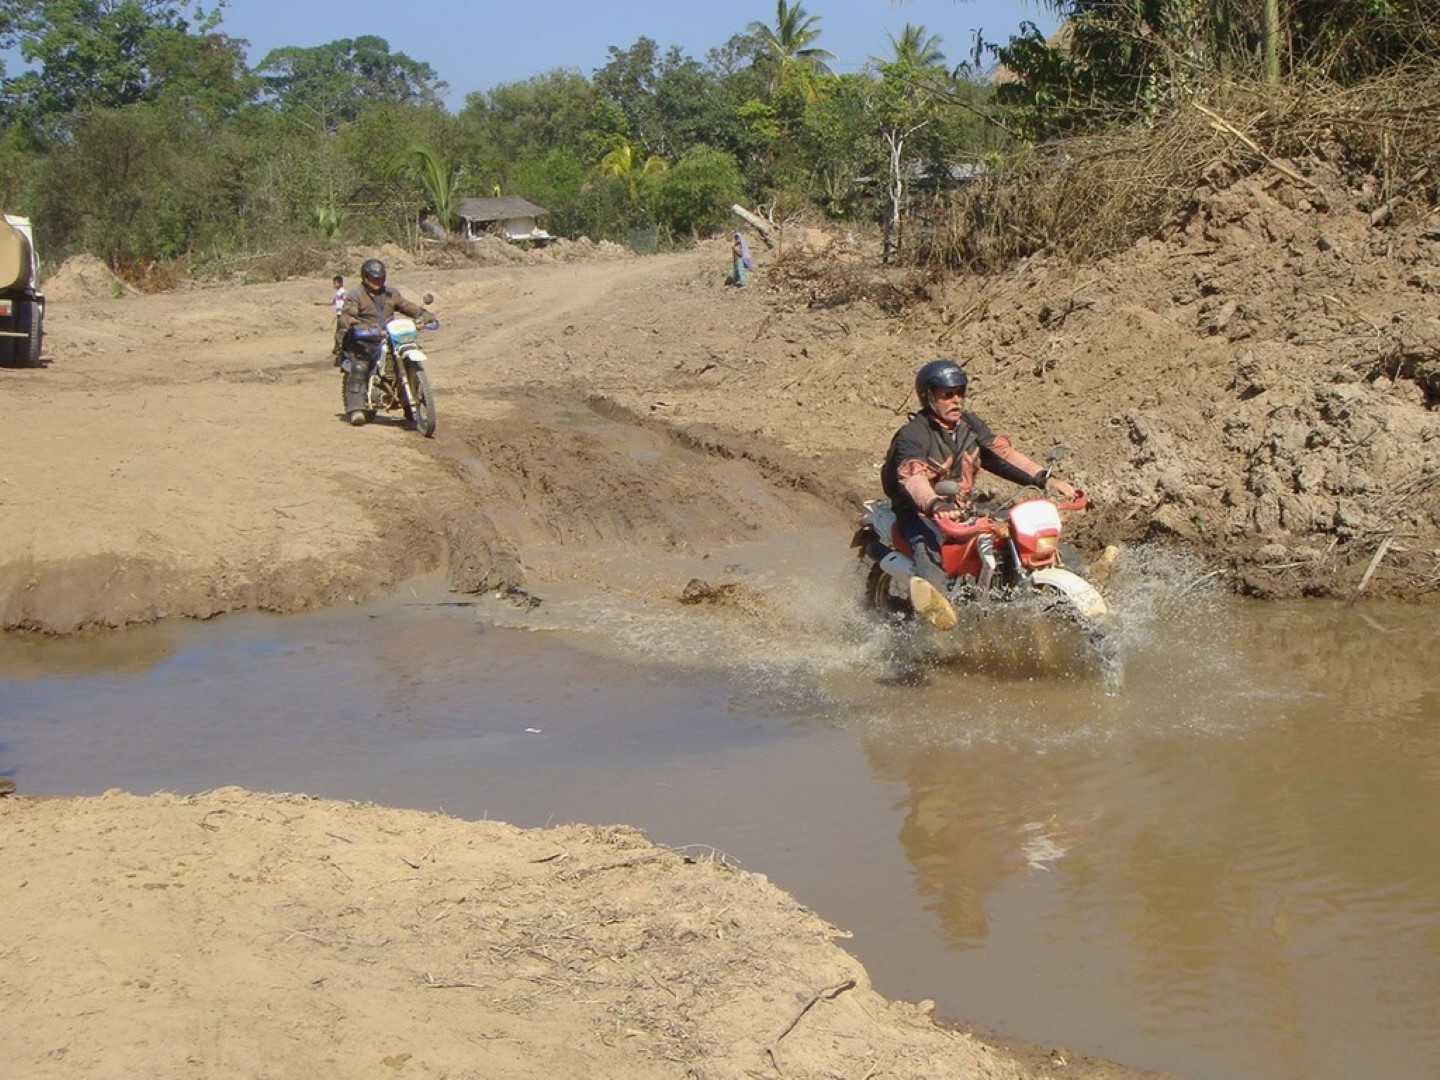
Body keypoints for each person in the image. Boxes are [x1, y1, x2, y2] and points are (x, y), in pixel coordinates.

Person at [880, 359, 1078, 629]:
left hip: (962, 507)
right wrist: (935, 503)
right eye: (947, 395)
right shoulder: (913, 435)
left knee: (1018, 531)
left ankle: (1080, 573)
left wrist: (1047, 479)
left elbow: (1003, 454)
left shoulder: (969, 425)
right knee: (930, 556)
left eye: (960, 392)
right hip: (919, 512)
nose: (956, 400)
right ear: (928, 396)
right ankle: (933, 634)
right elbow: (913, 477)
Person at [336, 258, 432, 426]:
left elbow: (405, 305)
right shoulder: (355, 295)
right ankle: (356, 408)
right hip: (363, 341)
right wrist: (353, 322)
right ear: (365, 278)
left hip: (388, 338)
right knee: (359, 367)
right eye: (373, 278)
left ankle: (411, 404)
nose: (377, 281)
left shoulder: (390, 294)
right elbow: (345, 315)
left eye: (380, 278)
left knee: (407, 361)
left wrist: (422, 314)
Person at [320, 275, 346, 363]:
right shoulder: (337, 293)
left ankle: (338, 352)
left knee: (340, 333)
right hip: (339, 315)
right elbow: (333, 303)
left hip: (342, 315)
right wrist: (321, 304)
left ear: (340, 283)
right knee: (338, 333)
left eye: (335, 283)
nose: (334, 285)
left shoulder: (343, 292)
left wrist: (343, 310)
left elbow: (346, 302)